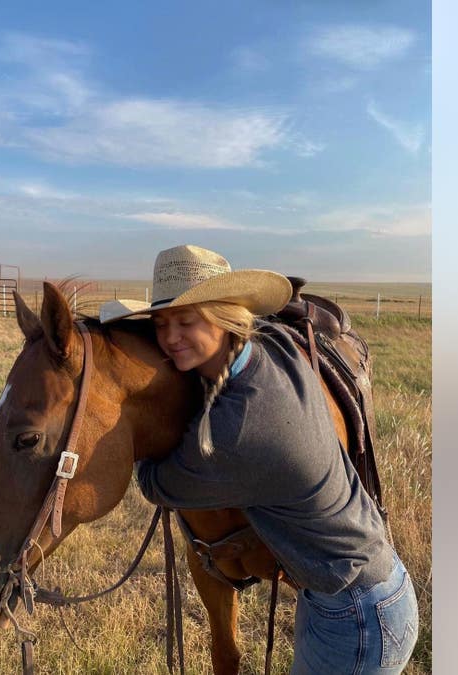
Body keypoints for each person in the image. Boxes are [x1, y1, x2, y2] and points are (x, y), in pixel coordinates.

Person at [100, 244, 419, 674]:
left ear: (226, 319)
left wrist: (139, 427)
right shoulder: (271, 352)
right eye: (161, 323)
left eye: (186, 320)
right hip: (353, 592)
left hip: (357, 614)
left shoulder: (240, 427)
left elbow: (158, 485)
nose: (169, 337)